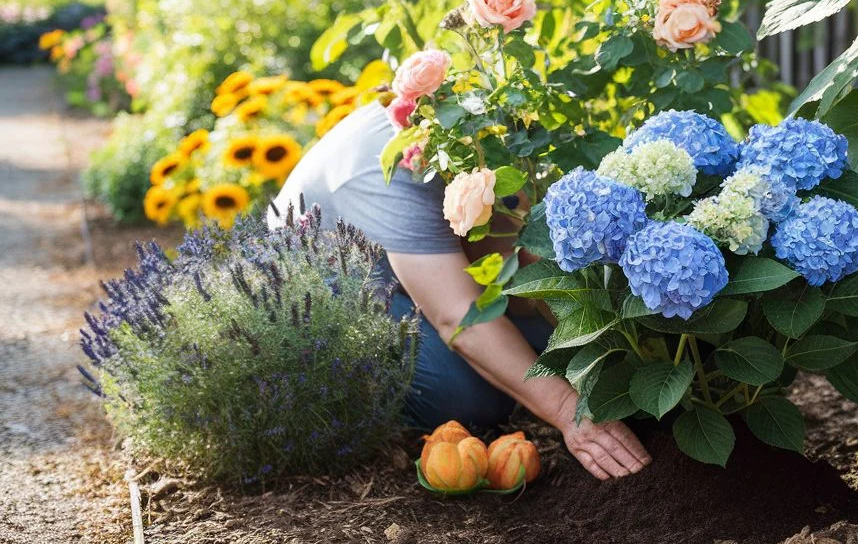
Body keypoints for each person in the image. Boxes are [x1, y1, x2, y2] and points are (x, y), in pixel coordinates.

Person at [267, 102, 650, 481]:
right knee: (466, 398)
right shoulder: (397, 174)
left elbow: (509, 260)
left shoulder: (481, 140)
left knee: (549, 348)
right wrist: (571, 413)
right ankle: (350, 407)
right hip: (323, 287)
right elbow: (457, 317)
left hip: (412, 266)